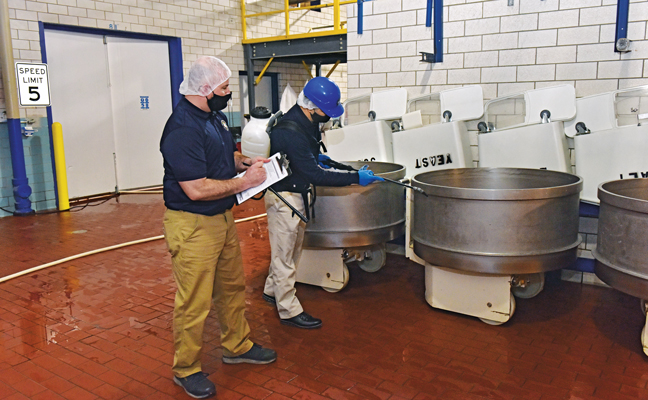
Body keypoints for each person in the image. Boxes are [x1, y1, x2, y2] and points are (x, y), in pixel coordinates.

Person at [160, 56, 277, 399]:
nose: (228, 94)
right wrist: (245, 183)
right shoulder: (182, 127)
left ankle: (237, 346)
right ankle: (186, 369)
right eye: (225, 88)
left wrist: (247, 162)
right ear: (206, 89)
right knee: (194, 301)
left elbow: (223, 157)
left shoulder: (213, 117)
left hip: (221, 219)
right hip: (193, 225)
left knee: (231, 288)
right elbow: (195, 189)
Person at [262, 76, 384, 329]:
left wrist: (329, 161)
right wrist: (354, 178)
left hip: (297, 194)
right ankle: (289, 310)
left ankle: (272, 290)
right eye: (325, 111)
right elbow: (314, 174)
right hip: (284, 197)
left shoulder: (305, 121)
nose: (327, 116)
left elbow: (311, 157)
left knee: (291, 251)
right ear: (311, 105)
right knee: (284, 255)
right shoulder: (288, 129)